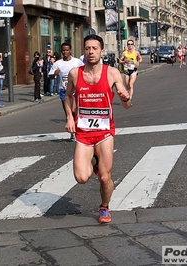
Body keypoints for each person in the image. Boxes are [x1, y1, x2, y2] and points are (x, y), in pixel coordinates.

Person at [64, 34, 131, 224]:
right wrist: (70, 117)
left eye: (94, 48)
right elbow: (67, 96)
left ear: (102, 51)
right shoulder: (75, 74)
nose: (91, 52)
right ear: (83, 51)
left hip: (104, 133)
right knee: (81, 177)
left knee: (104, 177)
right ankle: (94, 162)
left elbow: (127, 105)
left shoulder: (112, 73)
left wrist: (125, 98)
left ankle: (104, 207)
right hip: (83, 133)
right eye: (87, 48)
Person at [48, 42, 84, 140]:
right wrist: (54, 74)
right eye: (63, 50)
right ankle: (72, 132)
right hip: (64, 91)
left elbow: (85, 72)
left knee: (75, 111)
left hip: (75, 91)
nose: (65, 52)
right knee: (68, 113)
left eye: (67, 50)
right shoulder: (58, 63)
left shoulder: (77, 62)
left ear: (70, 50)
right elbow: (50, 77)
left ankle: (78, 129)